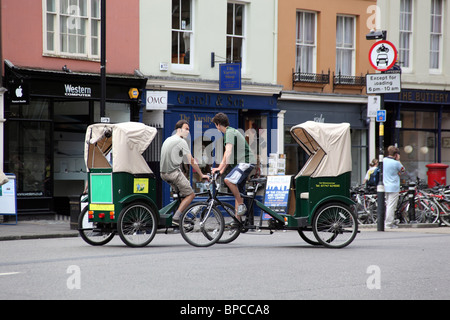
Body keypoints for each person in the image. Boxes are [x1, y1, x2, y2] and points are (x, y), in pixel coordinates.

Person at [160, 120, 209, 226]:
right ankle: (176, 217)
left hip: (163, 173)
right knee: (191, 195)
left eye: (188, 129)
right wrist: (201, 175)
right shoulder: (181, 141)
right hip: (174, 173)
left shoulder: (168, 139)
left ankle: (182, 215)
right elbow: (191, 160)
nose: (188, 131)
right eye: (186, 129)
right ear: (179, 129)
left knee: (182, 195)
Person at [211, 113, 255, 219]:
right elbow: (229, 157)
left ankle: (241, 205)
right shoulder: (231, 131)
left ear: (217, 124)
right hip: (242, 163)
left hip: (245, 162)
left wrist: (219, 167)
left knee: (229, 180)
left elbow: (228, 152)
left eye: (215, 125)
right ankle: (238, 221)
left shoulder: (229, 132)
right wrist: (221, 171)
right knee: (238, 192)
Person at [383, 146, 405, 229]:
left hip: (385, 186)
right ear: (396, 154)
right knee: (391, 206)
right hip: (394, 187)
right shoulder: (396, 163)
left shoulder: (384, 160)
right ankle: (388, 224)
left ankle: (387, 221)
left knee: (387, 204)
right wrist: (398, 160)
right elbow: (403, 170)